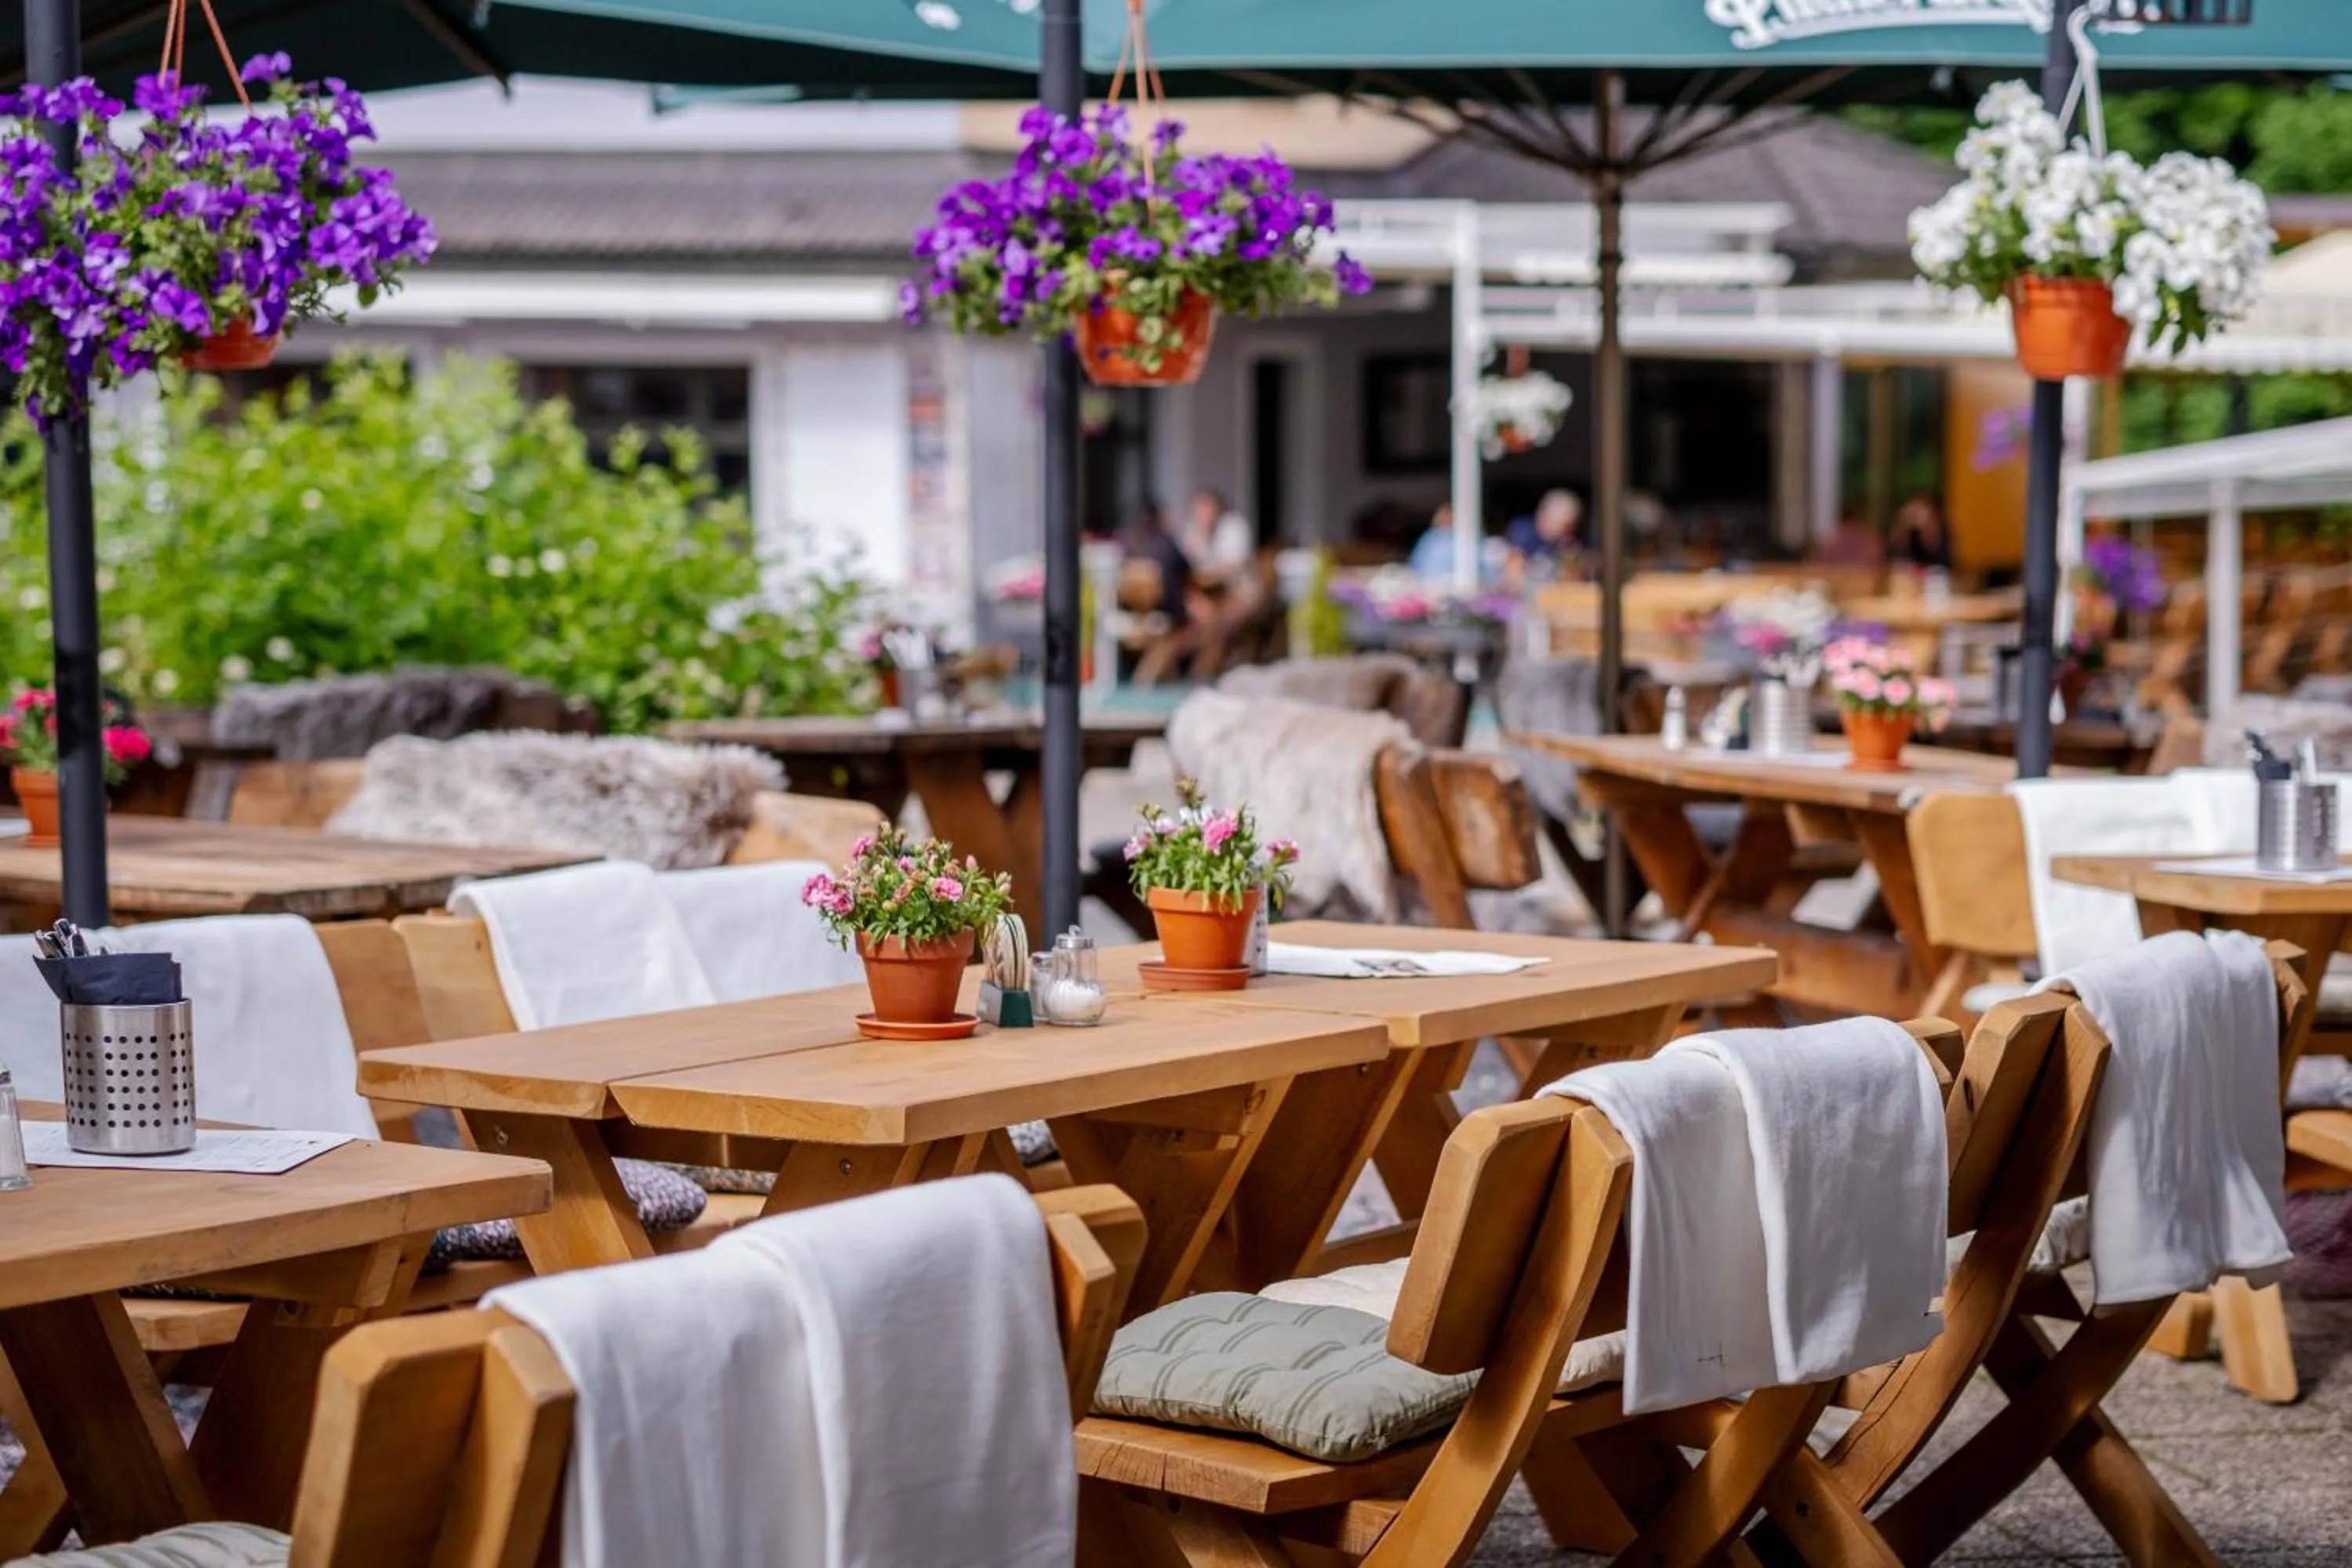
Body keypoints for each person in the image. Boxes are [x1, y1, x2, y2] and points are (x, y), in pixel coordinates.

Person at [1505, 488, 1581, 583]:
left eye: (1571, 527)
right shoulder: (1522, 531)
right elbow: (1513, 573)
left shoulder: (1568, 541)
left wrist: (1570, 552)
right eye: (1566, 526)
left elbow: (1571, 579)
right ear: (1546, 517)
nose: (1569, 531)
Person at [1888, 493, 1954, 572]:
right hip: (1915, 575)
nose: (1918, 515)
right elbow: (1897, 553)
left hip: (1939, 575)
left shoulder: (1942, 530)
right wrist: (1903, 523)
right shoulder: (1913, 533)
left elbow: (1942, 559)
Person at [1407, 503, 1460, 579]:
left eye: (1449, 516)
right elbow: (1415, 563)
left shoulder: (1462, 538)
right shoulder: (1429, 537)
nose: (1445, 519)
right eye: (1443, 516)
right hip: (1425, 581)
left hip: (1450, 582)